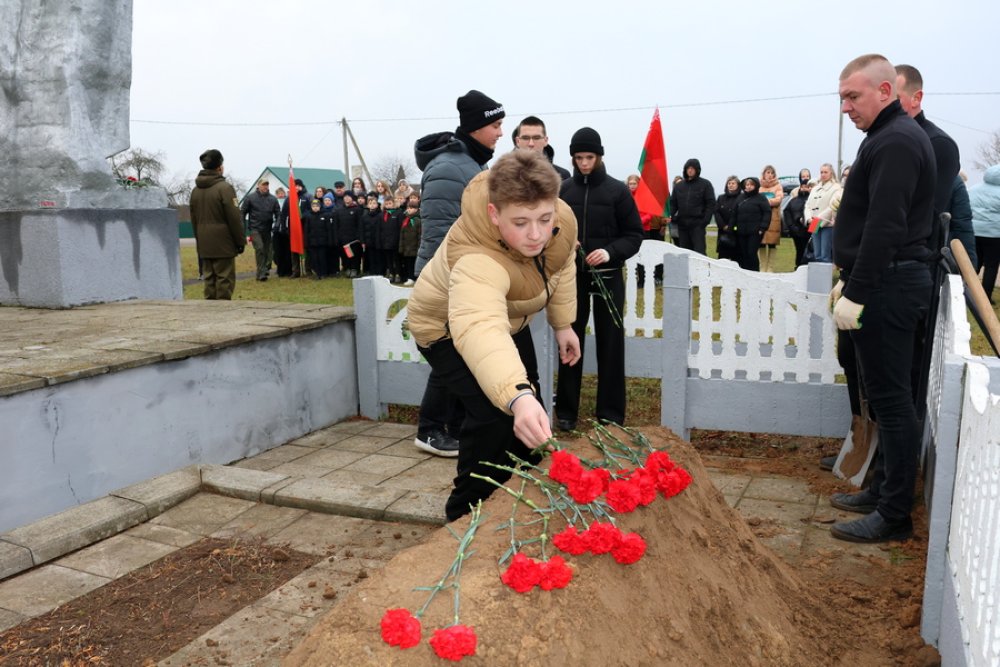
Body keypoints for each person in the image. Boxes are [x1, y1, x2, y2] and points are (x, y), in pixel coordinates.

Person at [406, 150, 581, 521]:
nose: (536, 234)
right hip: (447, 327)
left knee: (529, 404)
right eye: (520, 222)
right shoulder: (474, 256)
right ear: (494, 214)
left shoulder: (561, 221)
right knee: (494, 414)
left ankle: (524, 492)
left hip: (509, 320)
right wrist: (516, 397)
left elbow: (561, 263)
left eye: (544, 218)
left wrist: (563, 323)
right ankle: (466, 513)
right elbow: (480, 326)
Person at [827, 53, 936, 544]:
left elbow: (886, 226)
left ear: (886, 91)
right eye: (842, 98)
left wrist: (858, 290)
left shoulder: (895, 141)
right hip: (886, 281)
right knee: (885, 397)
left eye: (853, 96)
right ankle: (882, 490)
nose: (846, 107)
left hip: (890, 285)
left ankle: (895, 513)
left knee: (892, 402)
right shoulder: (886, 137)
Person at [411, 89, 505, 457]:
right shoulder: (451, 168)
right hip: (447, 277)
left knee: (462, 350)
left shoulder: (470, 164)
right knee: (450, 353)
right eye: (496, 125)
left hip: (463, 274)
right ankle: (431, 429)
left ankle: (452, 425)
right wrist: (455, 279)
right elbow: (440, 234)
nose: (500, 133)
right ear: (477, 126)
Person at [554, 127, 644, 431]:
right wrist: (566, 242)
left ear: (599, 156)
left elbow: (634, 235)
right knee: (570, 339)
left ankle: (610, 413)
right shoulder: (564, 191)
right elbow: (552, 229)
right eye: (578, 157)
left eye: (589, 157)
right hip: (573, 278)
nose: (583, 163)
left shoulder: (618, 191)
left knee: (611, 342)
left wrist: (609, 252)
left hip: (608, 276)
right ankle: (566, 411)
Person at [895, 64, 961, 248]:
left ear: (916, 98)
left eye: (896, 98)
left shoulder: (938, 144)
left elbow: (926, 214)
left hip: (913, 256)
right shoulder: (880, 139)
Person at [189, 149, 245, 300]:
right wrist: (240, 241)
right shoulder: (225, 188)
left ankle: (209, 310)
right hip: (224, 242)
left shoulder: (195, 191)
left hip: (204, 242)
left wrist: (199, 239)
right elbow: (234, 217)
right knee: (224, 279)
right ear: (219, 167)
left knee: (209, 279)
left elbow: (194, 219)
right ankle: (222, 311)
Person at [667, 158, 715, 255]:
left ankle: (701, 266)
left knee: (699, 252)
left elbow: (710, 204)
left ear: (697, 170)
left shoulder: (705, 184)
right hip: (682, 224)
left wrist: (705, 221)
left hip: (698, 224)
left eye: (692, 168)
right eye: (688, 168)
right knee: (684, 252)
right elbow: (673, 203)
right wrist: (670, 216)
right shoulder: (679, 186)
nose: (690, 170)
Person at [241, 179, 281, 281]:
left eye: (267, 185)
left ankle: (263, 271)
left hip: (267, 229)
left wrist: (277, 225)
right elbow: (242, 212)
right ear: (258, 186)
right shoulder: (250, 198)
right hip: (255, 229)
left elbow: (278, 213)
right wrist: (243, 227)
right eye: (263, 185)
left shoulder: (273, 199)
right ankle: (262, 273)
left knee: (267, 251)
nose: (265, 187)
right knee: (260, 248)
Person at [971, 165, 1000, 303]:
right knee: (991, 266)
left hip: (974, 231)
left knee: (974, 263)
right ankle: (985, 297)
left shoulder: (974, 189)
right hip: (994, 234)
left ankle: (966, 292)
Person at [512, 115, 571, 180]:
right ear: (517, 141)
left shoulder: (562, 176)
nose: (531, 144)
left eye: (536, 138)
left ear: (545, 141)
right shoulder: (505, 174)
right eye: (525, 138)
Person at [803, 163, 841, 263]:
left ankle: (826, 273)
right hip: (813, 222)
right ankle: (818, 273)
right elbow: (807, 205)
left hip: (827, 224)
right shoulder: (815, 188)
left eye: (825, 172)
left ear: (831, 173)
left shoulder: (837, 188)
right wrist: (809, 218)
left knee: (825, 255)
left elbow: (832, 206)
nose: (823, 174)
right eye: (821, 172)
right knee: (816, 254)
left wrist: (818, 219)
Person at [732, 177, 771, 272]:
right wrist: (732, 228)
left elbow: (767, 213)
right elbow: (734, 213)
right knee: (743, 253)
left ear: (756, 186)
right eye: (747, 185)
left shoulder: (761, 198)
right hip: (741, 231)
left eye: (751, 185)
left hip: (755, 232)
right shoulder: (740, 198)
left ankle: (754, 273)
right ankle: (745, 273)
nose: (749, 187)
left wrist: (763, 227)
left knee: (751, 253)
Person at [276, 179, 306, 278]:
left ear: (301, 186)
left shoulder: (306, 197)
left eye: (298, 185)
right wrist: (284, 227)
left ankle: (308, 270)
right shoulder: (288, 199)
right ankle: (295, 271)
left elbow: (310, 210)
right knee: (294, 249)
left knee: (306, 249)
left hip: (304, 228)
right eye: (295, 185)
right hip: (292, 228)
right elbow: (284, 214)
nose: (296, 187)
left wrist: (303, 217)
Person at [758, 165, 784, 272]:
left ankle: (770, 268)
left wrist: (764, 202)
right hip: (760, 218)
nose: (769, 175)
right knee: (761, 243)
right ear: (764, 174)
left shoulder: (778, 186)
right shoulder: (759, 187)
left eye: (771, 173)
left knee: (772, 243)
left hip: (773, 218)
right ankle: (762, 267)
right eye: (767, 172)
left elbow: (778, 199)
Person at [783, 179, 813, 267]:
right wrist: (791, 227)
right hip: (797, 231)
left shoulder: (813, 200)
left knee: (811, 250)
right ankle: (798, 266)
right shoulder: (793, 201)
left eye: (806, 187)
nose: (804, 189)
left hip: (810, 231)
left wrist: (813, 229)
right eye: (802, 187)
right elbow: (786, 213)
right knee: (799, 250)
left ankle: (809, 267)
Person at [948, 173, 976, 267]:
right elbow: (963, 223)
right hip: (993, 231)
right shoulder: (955, 182)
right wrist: (970, 264)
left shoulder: (974, 190)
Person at [714, 175, 742, 262]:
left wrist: (731, 226)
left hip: (736, 232)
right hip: (723, 232)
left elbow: (741, 213)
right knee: (723, 258)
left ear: (738, 185)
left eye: (733, 183)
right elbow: (716, 212)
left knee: (737, 258)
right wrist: (723, 226)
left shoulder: (742, 198)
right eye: (729, 183)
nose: (731, 185)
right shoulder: (721, 198)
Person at [302, 198, 331, 279]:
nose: (315, 208)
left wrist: (328, 240)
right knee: (314, 259)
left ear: (320, 206)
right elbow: (306, 230)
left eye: (317, 206)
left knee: (322, 258)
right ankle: (318, 273)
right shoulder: (308, 217)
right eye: (313, 206)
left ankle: (323, 273)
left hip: (322, 242)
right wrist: (306, 242)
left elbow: (328, 229)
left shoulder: (324, 215)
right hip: (312, 242)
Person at [397, 192, 421, 285]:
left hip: (414, 247)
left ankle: (414, 278)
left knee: (414, 263)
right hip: (406, 247)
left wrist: (418, 247)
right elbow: (402, 235)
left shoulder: (418, 221)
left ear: (416, 209)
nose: (409, 210)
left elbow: (419, 235)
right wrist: (401, 247)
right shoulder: (405, 220)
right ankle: (409, 277)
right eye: (408, 208)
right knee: (407, 263)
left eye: (412, 208)